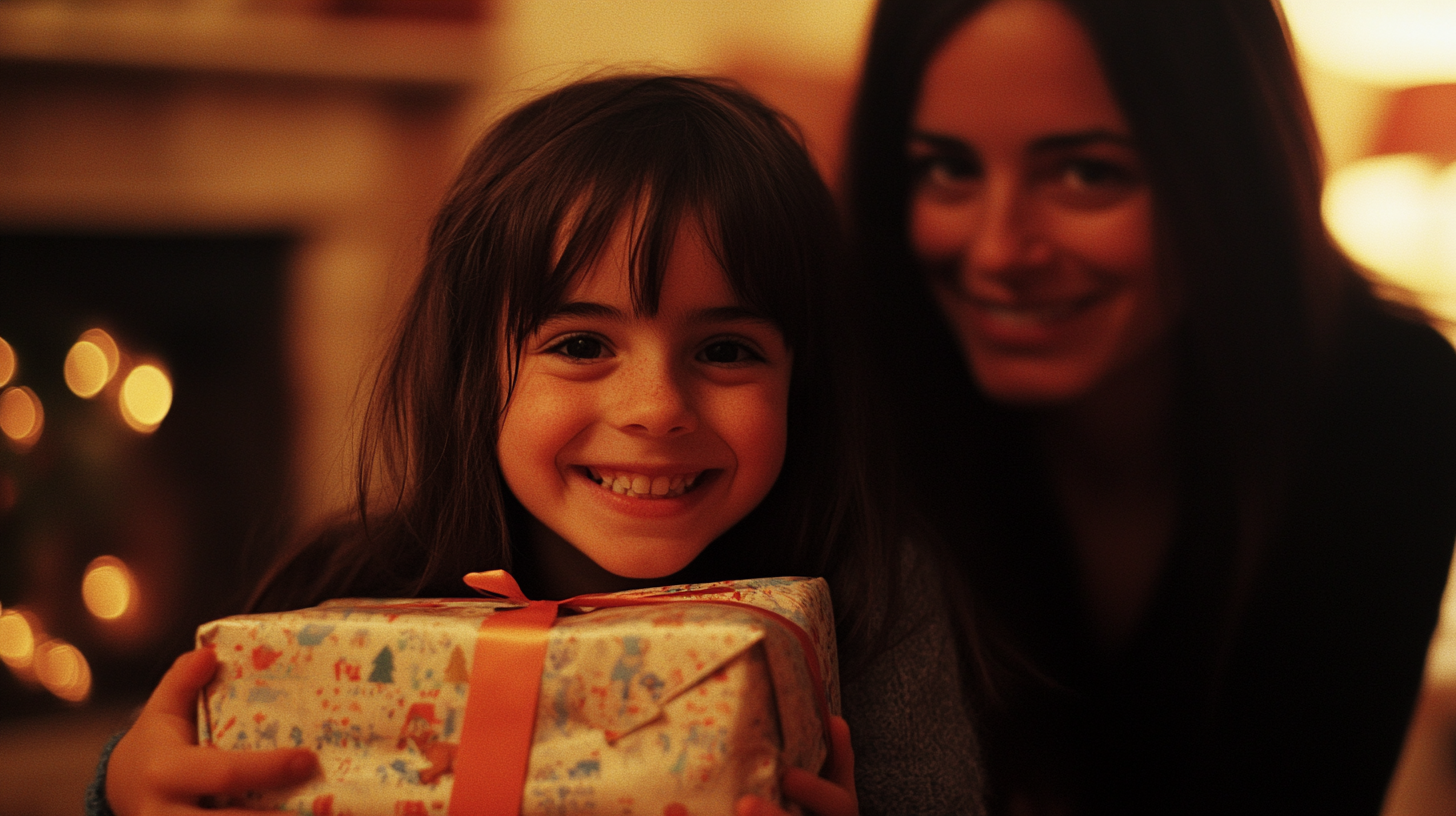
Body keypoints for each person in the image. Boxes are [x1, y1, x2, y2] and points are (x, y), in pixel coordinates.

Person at [90, 74, 983, 816]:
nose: (656, 409)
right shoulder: (347, 585)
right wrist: (121, 791)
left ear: (806, 380)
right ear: (473, 368)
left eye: (726, 350)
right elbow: (183, 759)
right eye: (582, 345)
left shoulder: (870, 600)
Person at [844, 0, 1456, 813]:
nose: (996, 251)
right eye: (948, 169)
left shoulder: (1391, 398)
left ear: (1229, 171)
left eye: (1086, 173)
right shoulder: (858, 397)